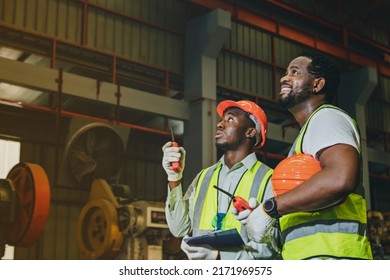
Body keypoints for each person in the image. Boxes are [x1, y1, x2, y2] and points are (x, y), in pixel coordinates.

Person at [236, 51, 373, 260]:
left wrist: (270, 208)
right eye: (285, 73)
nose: (284, 78)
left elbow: (340, 178)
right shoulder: (307, 135)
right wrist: (265, 221)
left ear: (317, 84)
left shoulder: (327, 118)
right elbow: (304, 209)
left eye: (295, 72)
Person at [162, 100, 279, 260]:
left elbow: (273, 246)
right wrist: (174, 177)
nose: (219, 125)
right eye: (221, 120)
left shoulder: (269, 179)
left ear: (250, 132)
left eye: (230, 119)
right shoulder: (204, 177)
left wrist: (220, 256)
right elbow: (179, 229)